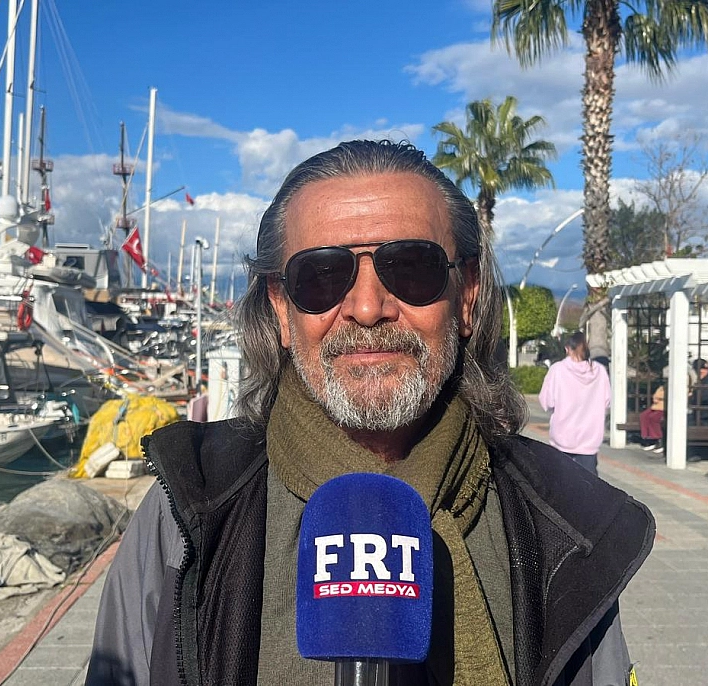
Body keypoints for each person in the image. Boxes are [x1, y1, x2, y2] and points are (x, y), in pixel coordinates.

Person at [86, 140, 654, 686]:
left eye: (411, 268)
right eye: (322, 276)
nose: (366, 307)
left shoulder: (564, 520)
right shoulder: (187, 510)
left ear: (467, 296)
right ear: (281, 310)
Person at [536, 331, 611, 474]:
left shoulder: (557, 370)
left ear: (567, 349)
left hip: (562, 435)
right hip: (590, 437)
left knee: (561, 480)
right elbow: (607, 401)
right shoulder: (599, 371)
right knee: (589, 482)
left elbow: (547, 401)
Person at [639, 385, 666, 453]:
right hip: (656, 405)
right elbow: (656, 395)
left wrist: (659, 398)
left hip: (663, 407)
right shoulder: (662, 387)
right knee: (644, 416)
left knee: (654, 418)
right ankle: (648, 437)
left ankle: (658, 439)